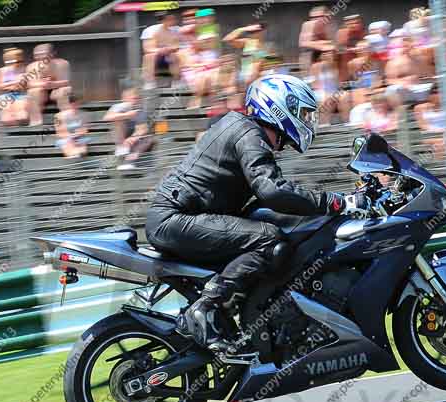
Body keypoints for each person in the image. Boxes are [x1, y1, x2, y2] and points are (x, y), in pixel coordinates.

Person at [145, 74, 366, 352]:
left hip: (183, 217)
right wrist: (333, 202)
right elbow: (271, 189)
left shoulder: (244, 129)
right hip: (176, 219)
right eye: (303, 112)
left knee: (267, 229)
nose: (308, 119)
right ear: (278, 107)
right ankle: (206, 308)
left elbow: (269, 194)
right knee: (270, 241)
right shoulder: (249, 132)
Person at [104, 88, 154, 169]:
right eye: (133, 98)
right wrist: (127, 115)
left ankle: (130, 160)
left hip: (134, 137)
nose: (135, 101)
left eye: (137, 98)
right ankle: (122, 149)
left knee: (149, 138)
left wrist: (133, 138)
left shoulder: (140, 111)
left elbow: (142, 129)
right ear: (124, 99)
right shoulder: (118, 107)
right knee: (117, 120)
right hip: (120, 136)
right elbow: (107, 118)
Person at [26, 43, 72, 126]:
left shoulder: (62, 64)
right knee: (33, 92)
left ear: (52, 53)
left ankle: (66, 118)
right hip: (41, 94)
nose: (40, 57)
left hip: (56, 91)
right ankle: (36, 120)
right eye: (37, 54)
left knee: (65, 90)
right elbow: (29, 84)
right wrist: (43, 84)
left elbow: (66, 82)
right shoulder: (31, 67)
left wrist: (52, 84)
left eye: (43, 53)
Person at [143, 12, 182, 90]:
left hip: (171, 56)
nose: (171, 21)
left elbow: (178, 46)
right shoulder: (152, 30)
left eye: (172, 19)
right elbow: (147, 49)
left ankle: (176, 82)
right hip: (158, 57)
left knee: (175, 55)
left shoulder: (178, 30)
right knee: (148, 56)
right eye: (167, 19)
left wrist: (169, 49)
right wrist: (160, 50)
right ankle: (150, 83)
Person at [310, 49, 349, 125]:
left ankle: (347, 122)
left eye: (330, 53)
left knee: (345, 97)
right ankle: (325, 125)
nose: (328, 54)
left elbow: (340, 83)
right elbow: (314, 85)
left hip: (335, 91)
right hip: (321, 91)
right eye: (325, 53)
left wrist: (332, 65)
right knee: (326, 99)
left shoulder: (337, 66)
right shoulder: (315, 67)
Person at [0, 47, 29, 126]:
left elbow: (27, 84)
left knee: (22, 116)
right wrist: (14, 83)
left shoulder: (25, 69)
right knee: (6, 119)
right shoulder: (0, 71)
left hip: (22, 94)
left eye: (18, 60)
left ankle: (21, 130)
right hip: (6, 95)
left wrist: (17, 85)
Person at [414, 84, 446, 160]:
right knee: (442, 143)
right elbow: (422, 125)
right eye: (433, 92)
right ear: (429, 94)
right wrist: (439, 130)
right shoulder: (420, 108)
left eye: (439, 92)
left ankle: (440, 167)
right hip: (430, 135)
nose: (436, 95)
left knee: (441, 144)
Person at [298, 6, 334, 76]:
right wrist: (321, 45)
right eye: (313, 18)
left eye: (319, 16)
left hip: (326, 55)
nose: (315, 19)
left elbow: (334, 43)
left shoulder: (329, 26)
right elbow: (303, 43)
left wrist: (326, 45)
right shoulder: (308, 25)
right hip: (310, 55)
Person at [54, 93, 90, 159]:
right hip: (66, 138)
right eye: (71, 103)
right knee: (67, 143)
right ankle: (74, 154)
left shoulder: (83, 114)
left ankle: (78, 154)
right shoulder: (58, 116)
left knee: (82, 145)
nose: (74, 105)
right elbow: (59, 132)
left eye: (75, 103)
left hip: (79, 137)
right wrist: (70, 137)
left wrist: (77, 135)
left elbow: (84, 130)